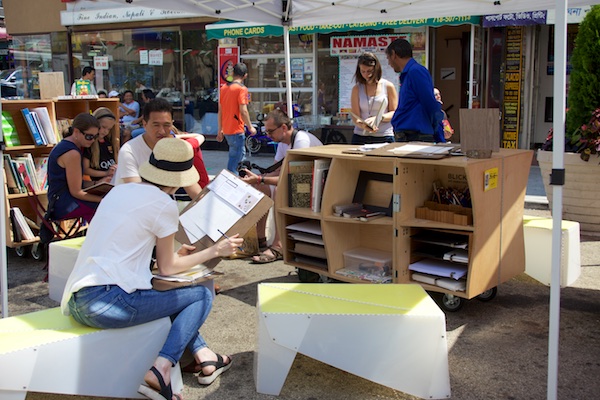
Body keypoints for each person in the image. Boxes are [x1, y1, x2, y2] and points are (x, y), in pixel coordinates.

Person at [60, 139, 242, 400]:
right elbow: (168, 268)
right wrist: (215, 250)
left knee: (169, 300)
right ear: (179, 178)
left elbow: (132, 252)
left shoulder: (118, 191)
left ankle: (204, 355)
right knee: (199, 295)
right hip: (111, 301)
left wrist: (175, 256)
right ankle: (161, 369)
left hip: (79, 298)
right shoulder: (164, 203)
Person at [240, 109, 322, 264]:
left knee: (280, 190)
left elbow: (292, 178)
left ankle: (279, 245)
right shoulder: (283, 143)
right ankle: (259, 239)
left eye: (270, 131)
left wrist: (259, 178)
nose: (268, 135)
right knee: (260, 188)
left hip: (316, 186)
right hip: (303, 182)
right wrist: (255, 180)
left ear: (284, 128)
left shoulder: (301, 140)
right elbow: (277, 172)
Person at [113, 97, 203, 200]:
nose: (162, 131)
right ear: (144, 124)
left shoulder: (173, 147)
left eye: (166, 125)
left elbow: (194, 190)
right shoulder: (128, 151)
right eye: (156, 125)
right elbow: (138, 194)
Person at [47, 113, 104, 223]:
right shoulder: (72, 153)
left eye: (95, 136)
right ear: (76, 132)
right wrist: (104, 200)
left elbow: (74, 183)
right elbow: (76, 192)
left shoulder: (69, 146)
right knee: (108, 207)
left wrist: (97, 184)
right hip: (64, 204)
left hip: (59, 200)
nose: (92, 140)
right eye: (89, 136)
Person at [385, 38, 443, 142]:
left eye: (388, 58)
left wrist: (437, 130)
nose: (389, 63)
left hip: (415, 136)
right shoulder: (408, 73)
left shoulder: (416, 71)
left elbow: (429, 103)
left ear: (394, 54)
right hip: (408, 134)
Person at [350, 52, 398, 144]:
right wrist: (363, 125)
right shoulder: (356, 88)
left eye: (369, 71)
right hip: (361, 135)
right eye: (362, 71)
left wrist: (379, 118)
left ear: (376, 69)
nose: (366, 75)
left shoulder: (388, 86)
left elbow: (394, 112)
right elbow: (355, 116)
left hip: (383, 135)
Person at [217, 62, 256, 174]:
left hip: (227, 130)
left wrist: (220, 130)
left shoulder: (223, 88)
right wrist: (250, 127)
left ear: (233, 73)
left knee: (237, 157)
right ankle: (231, 183)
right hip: (236, 129)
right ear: (245, 76)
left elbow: (220, 111)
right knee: (236, 162)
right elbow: (243, 110)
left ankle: (240, 181)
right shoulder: (241, 89)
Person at [83, 107, 118, 181]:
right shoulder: (89, 144)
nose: (106, 131)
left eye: (109, 129)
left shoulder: (111, 142)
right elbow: (85, 169)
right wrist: (106, 173)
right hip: (96, 182)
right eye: (103, 127)